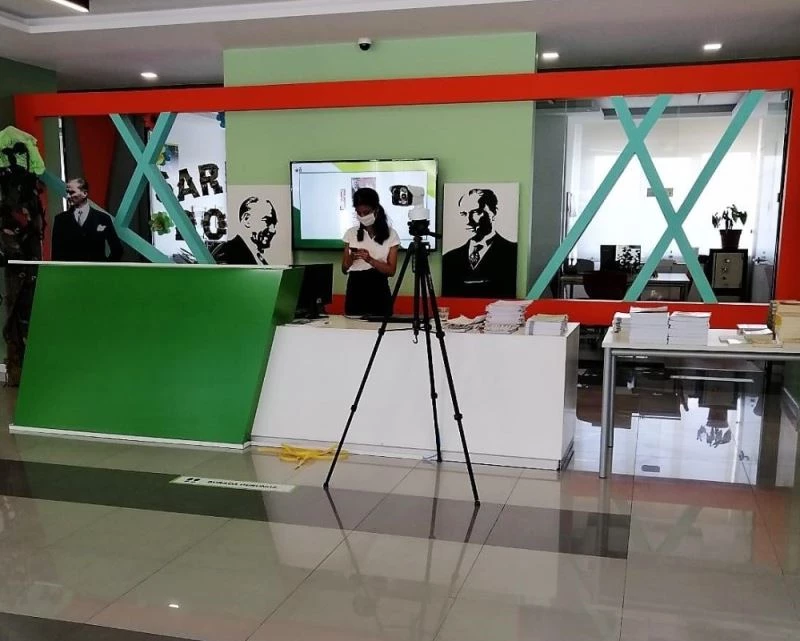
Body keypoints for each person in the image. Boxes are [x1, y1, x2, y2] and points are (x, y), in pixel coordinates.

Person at [442, 188, 517, 298]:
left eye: (476, 212)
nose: (468, 221)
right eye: (464, 214)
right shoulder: (449, 258)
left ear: (494, 212)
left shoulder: (513, 253)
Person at [342, 187, 400, 317]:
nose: (362, 216)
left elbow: (391, 271)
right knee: (352, 326)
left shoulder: (391, 234)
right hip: (355, 289)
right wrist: (352, 257)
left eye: (366, 212)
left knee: (380, 324)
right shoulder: (351, 233)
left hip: (378, 288)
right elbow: (344, 269)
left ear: (376, 210)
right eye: (359, 213)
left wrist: (370, 260)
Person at [52, 178, 123, 262]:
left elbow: (117, 249)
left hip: (96, 269)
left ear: (84, 193)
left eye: (71, 192)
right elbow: (55, 254)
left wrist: (105, 267)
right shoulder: (60, 220)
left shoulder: (103, 218)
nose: (67, 196)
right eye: (67, 192)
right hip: (71, 270)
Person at [213, 196, 277, 265]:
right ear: (247, 219)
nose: (273, 230)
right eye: (267, 221)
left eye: (274, 223)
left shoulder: (260, 258)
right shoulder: (226, 254)